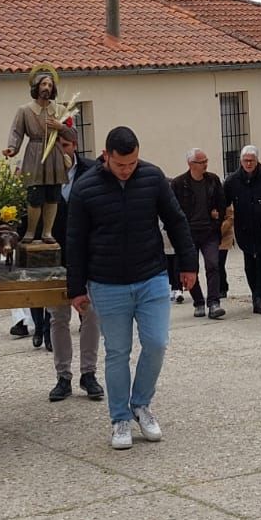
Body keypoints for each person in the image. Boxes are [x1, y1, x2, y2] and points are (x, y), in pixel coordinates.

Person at [66, 126, 196, 450]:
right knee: (118, 352)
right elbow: (75, 241)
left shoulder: (152, 178)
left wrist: (188, 264)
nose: (127, 170)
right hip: (107, 284)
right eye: (121, 164)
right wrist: (76, 288)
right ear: (106, 156)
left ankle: (141, 404)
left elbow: (176, 220)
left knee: (156, 342)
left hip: (151, 276)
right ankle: (120, 418)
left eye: (133, 163)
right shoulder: (85, 189)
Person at [45, 124, 104, 402]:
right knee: (58, 317)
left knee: (91, 314)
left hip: (89, 255)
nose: (61, 153)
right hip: (55, 255)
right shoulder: (43, 175)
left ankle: (88, 373)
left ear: (74, 145)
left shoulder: (93, 171)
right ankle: (63, 376)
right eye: (56, 148)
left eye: (65, 147)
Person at [4, 65, 70, 243]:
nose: (46, 88)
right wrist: (12, 148)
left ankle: (47, 232)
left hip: (54, 155)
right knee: (35, 195)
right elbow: (17, 132)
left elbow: (72, 135)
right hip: (34, 154)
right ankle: (31, 231)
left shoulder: (60, 110)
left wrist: (61, 127)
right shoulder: (24, 110)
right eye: (43, 84)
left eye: (50, 85)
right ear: (36, 87)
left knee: (52, 195)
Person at [223, 145, 261, 315]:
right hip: (244, 228)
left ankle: (259, 298)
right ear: (241, 161)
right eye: (246, 160)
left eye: (252, 160)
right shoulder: (232, 181)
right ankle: (255, 294)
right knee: (249, 264)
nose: (249, 163)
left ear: (257, 161)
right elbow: (224, 201)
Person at [171, 148, 226, 319]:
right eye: (201, 162)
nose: (205, 165)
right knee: (190, 268)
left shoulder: (213, 180)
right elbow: (172, 210)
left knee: (213, 264)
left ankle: (214, 303)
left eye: (206, 161)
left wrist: (217, 220)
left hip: (209, 231)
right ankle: (199, 302)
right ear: (190, 164)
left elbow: (222, 203)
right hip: (188, 234)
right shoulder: (179, 184)